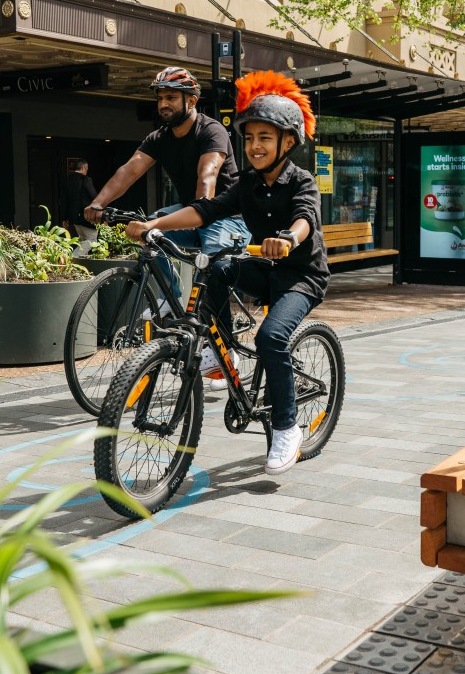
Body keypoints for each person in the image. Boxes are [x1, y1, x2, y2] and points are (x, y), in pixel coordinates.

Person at [126, 71, 327, 476]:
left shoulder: (301, 180)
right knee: (217, 270)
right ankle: (225, 351)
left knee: (272, 336)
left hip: (300, 276)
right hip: (262, 268)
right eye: (249, 138)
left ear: (288, 142)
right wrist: (154, 225)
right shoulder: (247, 184)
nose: (254, 146)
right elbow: (205, 209)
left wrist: (287, 237)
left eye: (265, 138)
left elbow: (305, 218)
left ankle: (287, 428)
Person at [86, 66, 250, 297]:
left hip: (226, 218)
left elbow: (207, 176)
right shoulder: (159, 138)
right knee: (148, 233)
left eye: (171, 97)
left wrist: (197, 212)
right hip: (190, 213)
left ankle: (212, 320)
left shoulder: (212, 131)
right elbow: (129, 171)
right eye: (160, 98)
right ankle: (170, 301)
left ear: (192, 101)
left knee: (210, 273)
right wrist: (98, 203)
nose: (163, 104)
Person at [60, 158, 98, 255]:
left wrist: (64, 218)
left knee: (83, 241)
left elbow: (64, 201)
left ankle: (80, 266)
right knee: (92, 240)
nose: (87, 171)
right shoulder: (86, 179)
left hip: (74, 218)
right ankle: (73, 258)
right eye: (87, 168)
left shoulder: (68, 180)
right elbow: (94, 197)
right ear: (83, 167)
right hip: (86, 217)